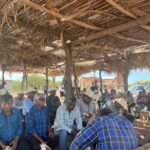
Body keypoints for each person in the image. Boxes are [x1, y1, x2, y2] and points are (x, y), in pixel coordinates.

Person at [70, 100, 138, 150]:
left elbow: (75, 145)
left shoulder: (100, 121)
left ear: (100, 116)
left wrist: (91, 123)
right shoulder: (128, 123)